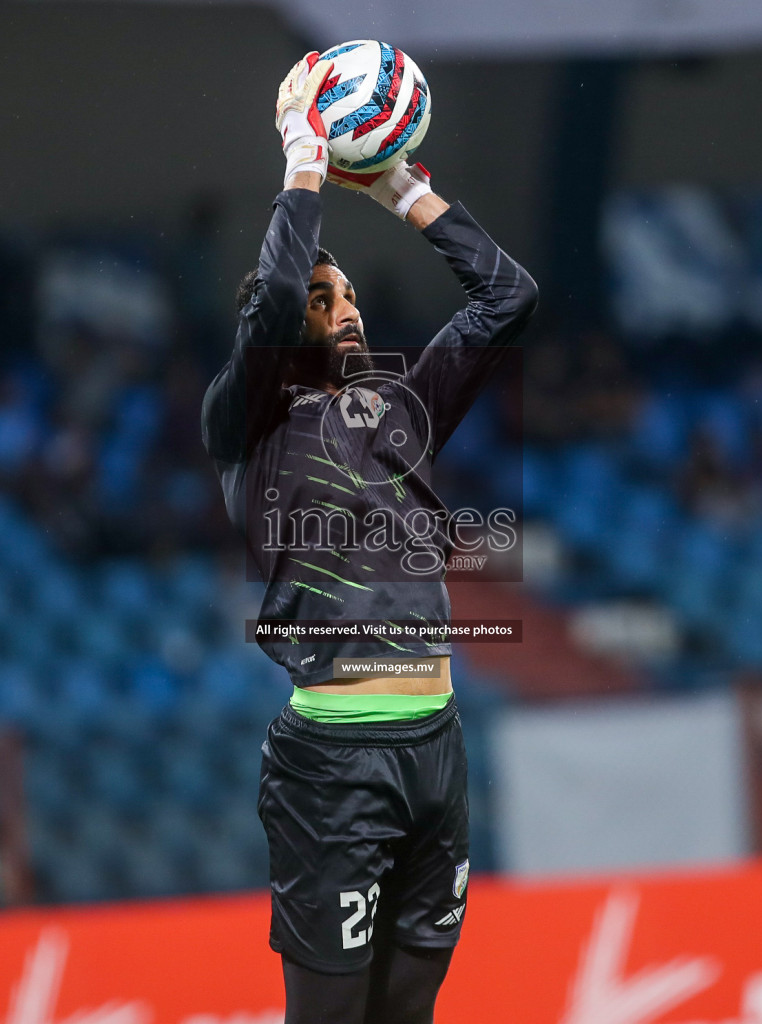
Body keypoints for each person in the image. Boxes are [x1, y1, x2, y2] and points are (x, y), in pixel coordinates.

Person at [201, 53, 537, 1024]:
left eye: (347, 295)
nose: (343, 310)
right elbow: (268, 306)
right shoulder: (246, 422)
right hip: (333, 768)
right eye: (322, 301)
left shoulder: (401, 407)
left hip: (438, 748)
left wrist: (397, 188)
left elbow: (507, 300)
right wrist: (304, 163)